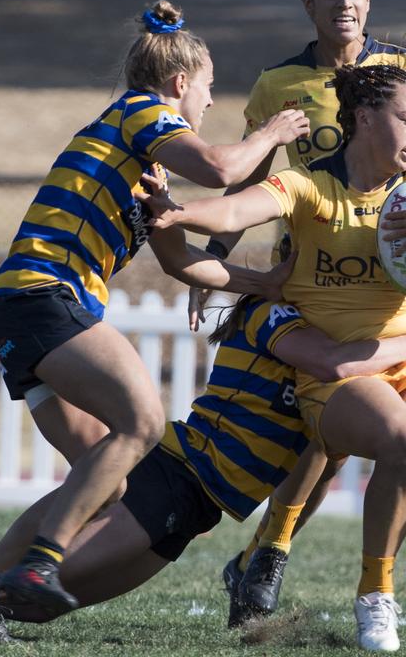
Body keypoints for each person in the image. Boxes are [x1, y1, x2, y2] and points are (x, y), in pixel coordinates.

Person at [0, 292, 406, 645]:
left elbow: (327, 444)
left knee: (42, 607)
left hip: (194, 510)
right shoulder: (280, 316)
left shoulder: (335, 336)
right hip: (174, 476)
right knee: (11, 587)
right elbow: (333, 363)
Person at [0, 0, 309, 617]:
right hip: (46, 292)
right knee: (143, 423)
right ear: (180, 84)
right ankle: (39, 567)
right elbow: (218, 168)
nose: (209, 103)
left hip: (20, 307)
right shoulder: (142, 113)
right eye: (208, 88)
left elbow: (183, 264)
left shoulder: (142, 160)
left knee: (104, 480)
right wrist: (273, 133)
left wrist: (265, 283)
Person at [141, 63, 406, 651]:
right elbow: (237, 210)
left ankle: (269, 556)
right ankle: (376, 595)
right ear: (365, 119)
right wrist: (180, 213)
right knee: (399, 435)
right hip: (340, 371)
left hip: (396, 348)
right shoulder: (311, 185)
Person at [188, 0, 406, 624]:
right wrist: (213, 260)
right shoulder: (279, 85)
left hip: (389, 284)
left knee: (340, 435)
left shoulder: (399, 73)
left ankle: (264, 557)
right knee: (324, 429)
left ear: (369, 0)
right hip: (313, 278)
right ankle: (269, 555)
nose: (344, 1)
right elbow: (254, 179)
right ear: (307, 1)